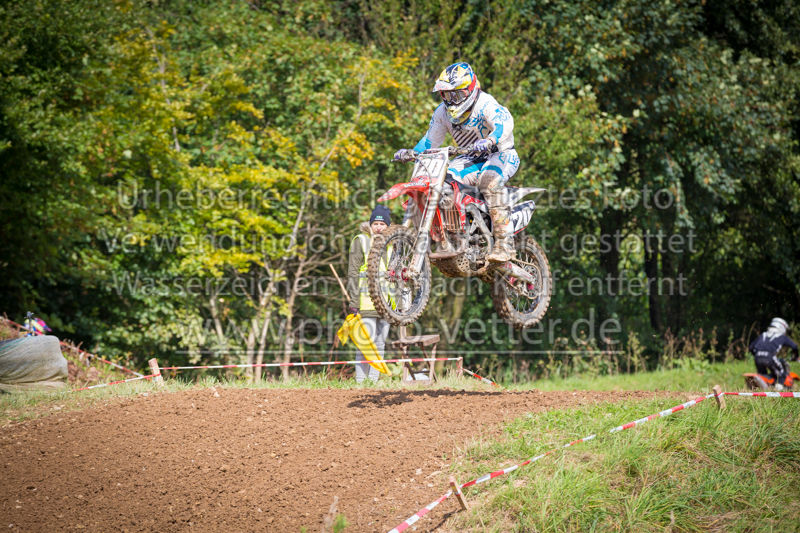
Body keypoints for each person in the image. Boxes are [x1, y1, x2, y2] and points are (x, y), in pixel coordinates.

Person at [394, 62, 520, 262]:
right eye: (447, 95)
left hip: (500, 154)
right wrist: (411, 152)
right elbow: (430, 141)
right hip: (469, 157)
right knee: (442, 183)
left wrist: (490, 140)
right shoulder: (442, 113)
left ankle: (505, 244)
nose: (452, 101)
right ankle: (454, 235)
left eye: (457, 95)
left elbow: (504, 123)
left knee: (489, 183)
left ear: (470, 89)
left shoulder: (485, 104)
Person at [346, 205, 392, 383]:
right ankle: (360, 381)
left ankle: (373, 381)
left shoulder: (392, 244)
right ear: (371, 225)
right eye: (376, 223)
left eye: (382, 224)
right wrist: (354, 302)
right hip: (366, 303)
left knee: (380, 344)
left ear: (388, 226)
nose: (379, 227)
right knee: (365, 344)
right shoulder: (361, 241)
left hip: (386, 305)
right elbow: (353, 272)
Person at [749, 317, 799, 390]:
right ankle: (778, 389)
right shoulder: (782, 336)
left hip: (757, 357)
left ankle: (764, 386)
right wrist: (795, 357)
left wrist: (758, 354)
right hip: (770, 357)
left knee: (763, 374)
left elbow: (751, 347)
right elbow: (794, 346)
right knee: (782, 373)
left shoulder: (763, 334)